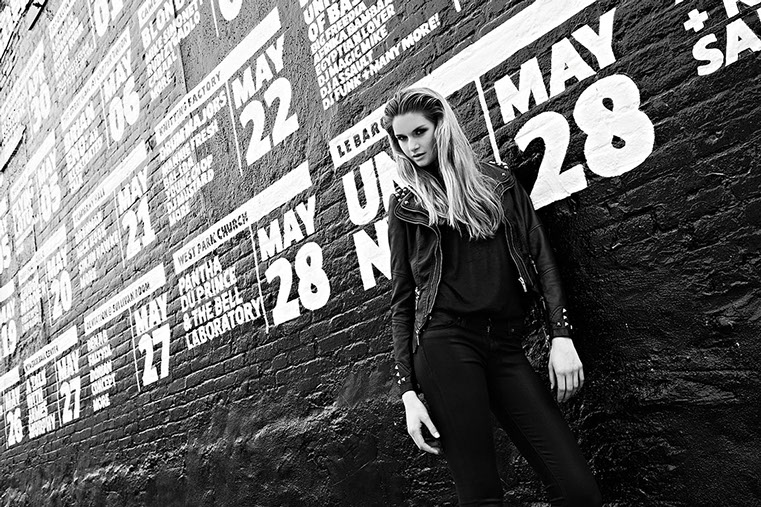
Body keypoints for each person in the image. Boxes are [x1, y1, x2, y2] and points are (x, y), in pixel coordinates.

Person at [383, 87, 602, 507]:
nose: (411, 146)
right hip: (445, 344)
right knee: (482, 495)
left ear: (442, 127)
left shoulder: (497, 183)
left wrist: (561, 335)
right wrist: (408, 393)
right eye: (402, 138)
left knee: (578, 490)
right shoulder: (406, 204)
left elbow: (541, 255)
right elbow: (402, 299)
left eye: (419, 132)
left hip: (505, 344)